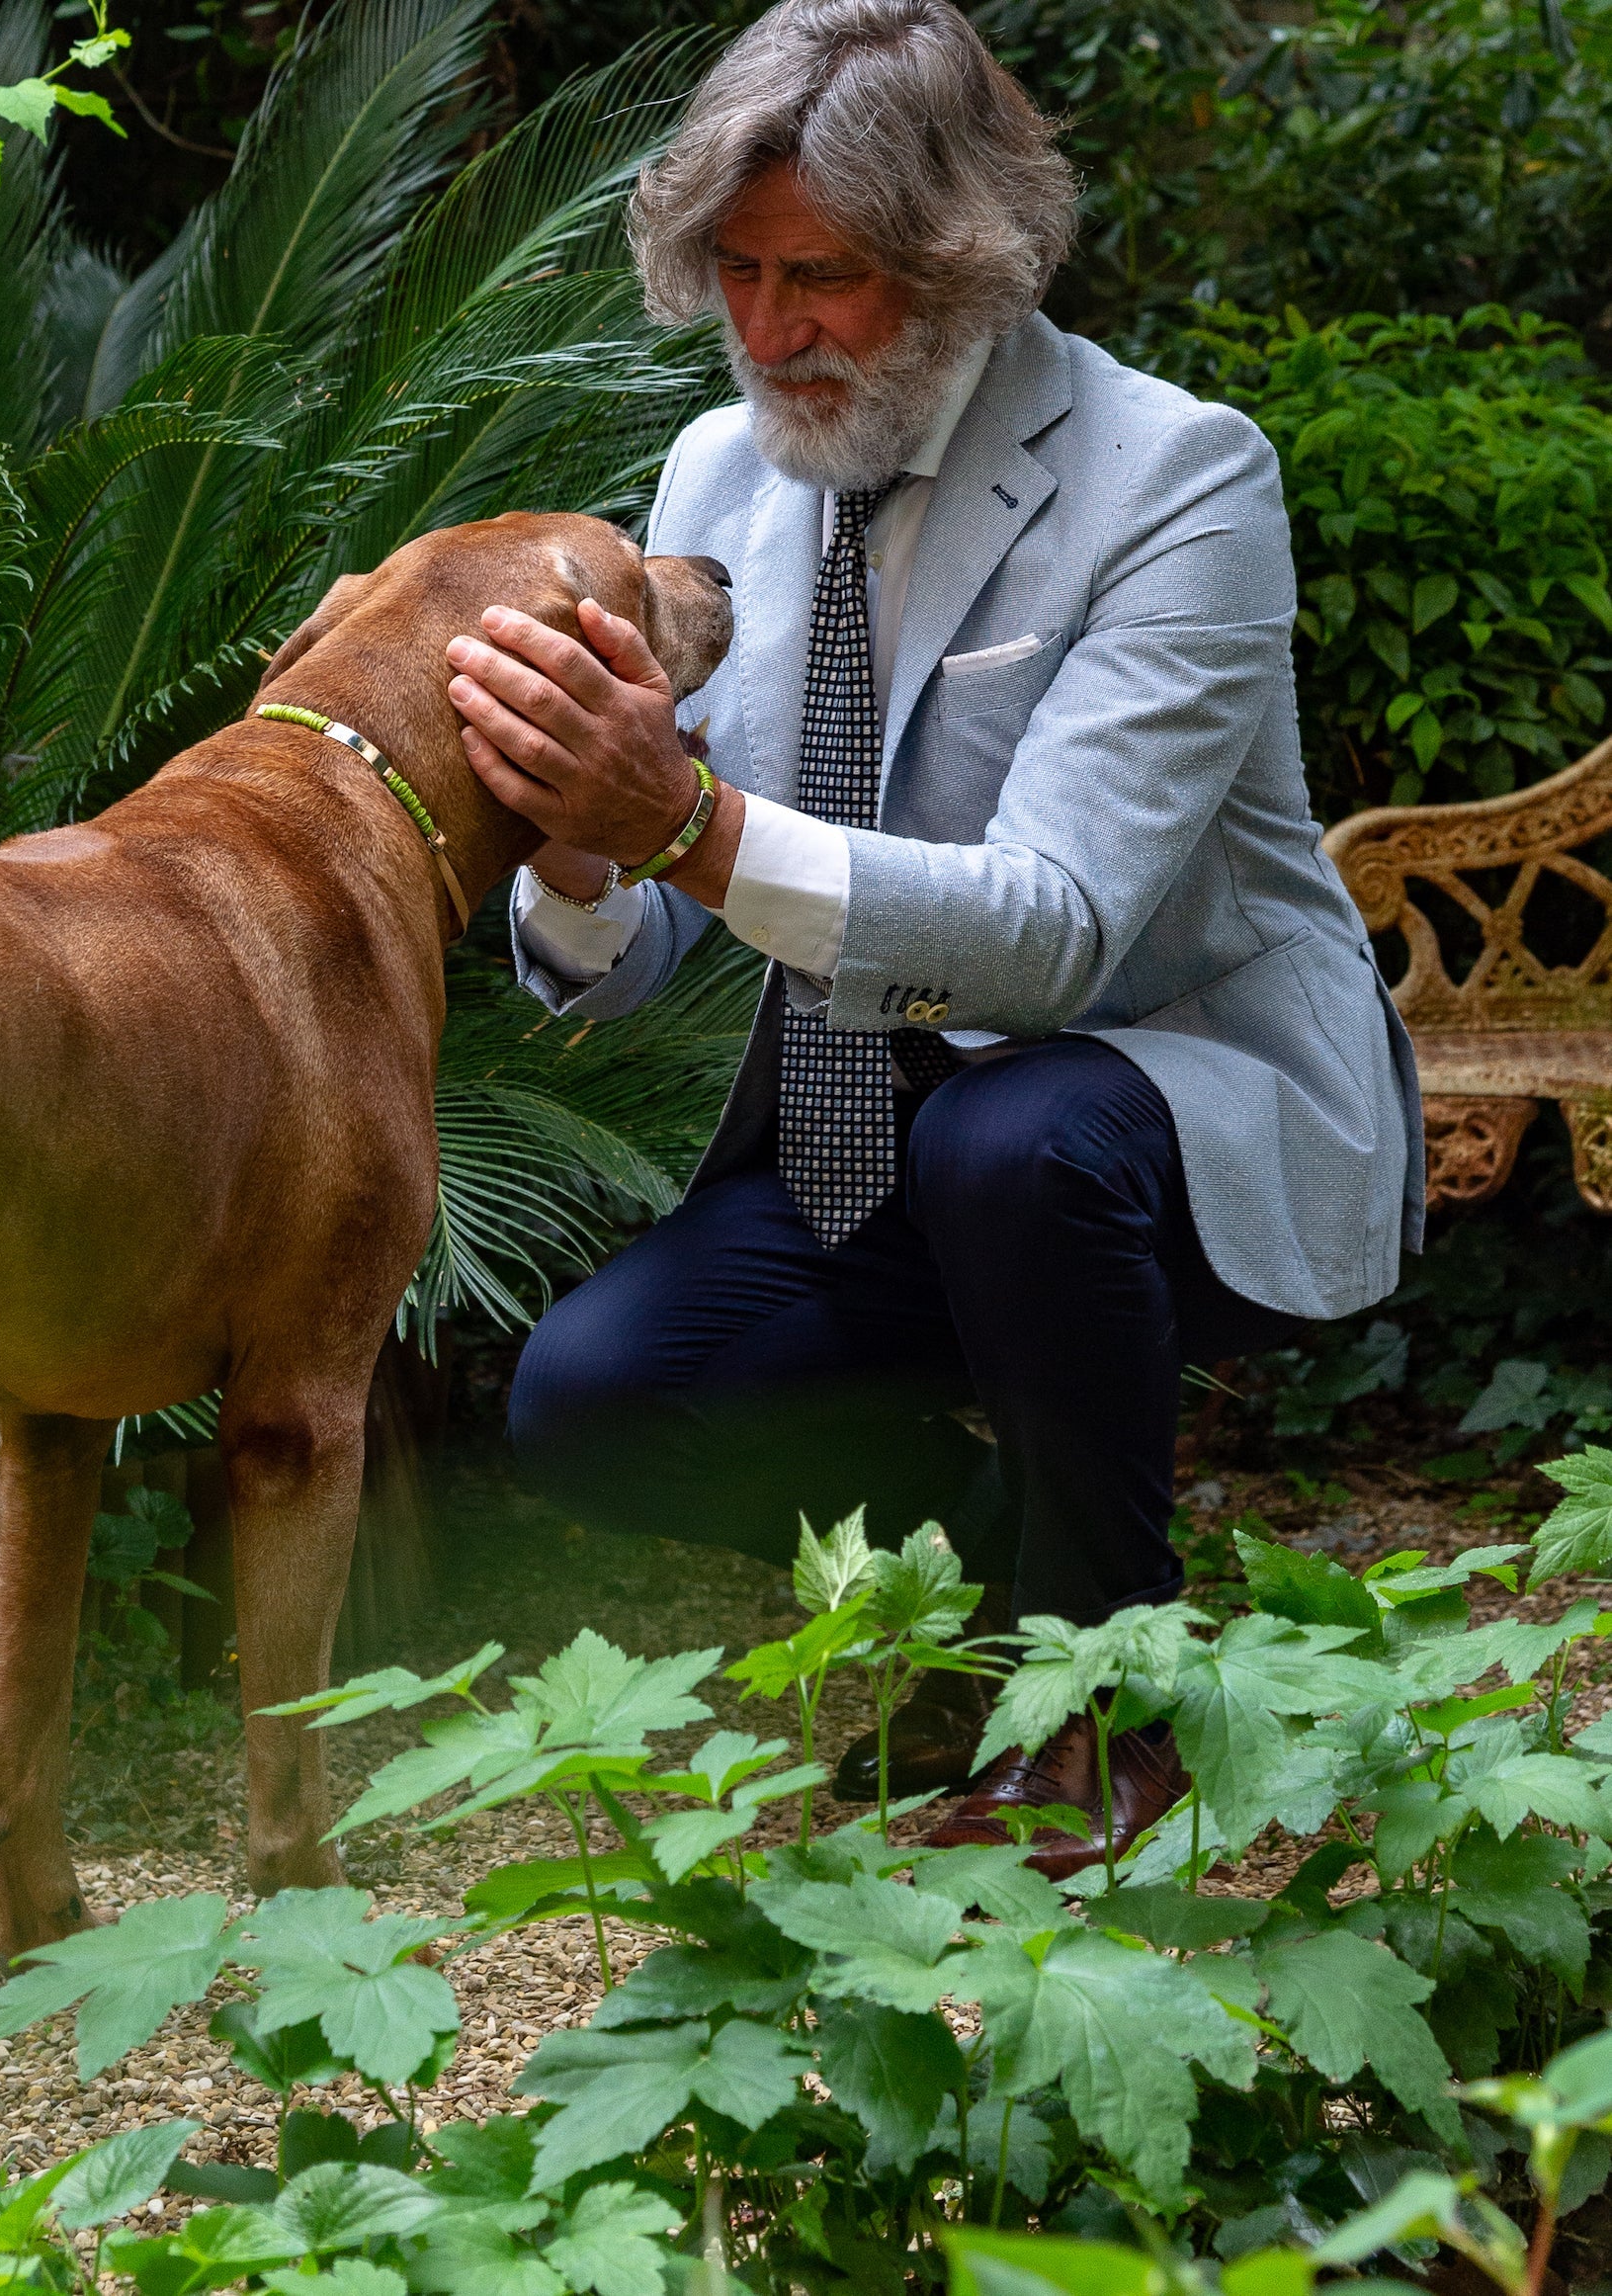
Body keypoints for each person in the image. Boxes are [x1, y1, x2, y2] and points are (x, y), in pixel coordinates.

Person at [443, 0, 1422, 1875]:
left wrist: (690, 820)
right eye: (734, 270)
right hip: (860, 1128)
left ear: (967, 260)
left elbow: (1054, 941)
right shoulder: (718, 473)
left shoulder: (1181, 478)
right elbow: (635, 941)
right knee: (589, 1400)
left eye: (825, 277)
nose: (766, 329)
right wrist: (579, 857)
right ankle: (1034, 1607)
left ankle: (1119, 1721)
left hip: (1180, 1107)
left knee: (1014, 1130)